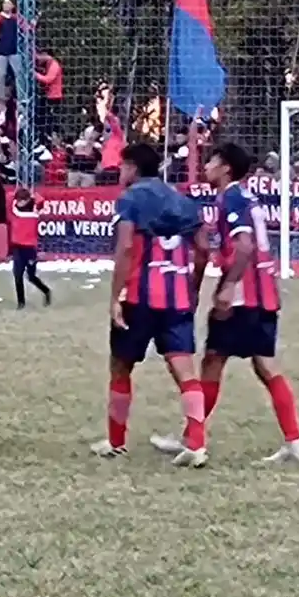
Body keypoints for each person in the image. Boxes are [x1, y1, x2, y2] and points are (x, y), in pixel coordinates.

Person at [153, 142, 299, 464]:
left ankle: (192, 439)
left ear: (225, 168)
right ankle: (294, 442)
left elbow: (244, 246)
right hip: (264, 294)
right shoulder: (246, 197)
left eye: (211, 160)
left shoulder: (233, 197)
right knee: (265, 365)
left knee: (213, 362)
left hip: (244, 298)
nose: (206, 166)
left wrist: (228, 287)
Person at [92, 143, 214, 468]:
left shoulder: (131, 198)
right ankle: (197, 443)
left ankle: (116, 442)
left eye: (122, 167)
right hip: (177, 298)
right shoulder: (182, 201)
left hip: (139, 298)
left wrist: (115, 297)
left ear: (132, 167)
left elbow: (127, 246)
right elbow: (203, 249)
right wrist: (193, 288)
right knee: (184, 370)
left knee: (120, 366)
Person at [9, 188, 52, 309]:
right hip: (18, 248)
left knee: (31, 276)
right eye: (17, 200)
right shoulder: (14, 210)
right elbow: (10, 197)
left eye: (21, 200)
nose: (18, 203)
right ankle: (21, 303)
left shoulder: (35, 210)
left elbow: (41, 200)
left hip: (30, 249)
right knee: (17, 275)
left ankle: (46, 291)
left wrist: (32, 195)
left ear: (27, 200)